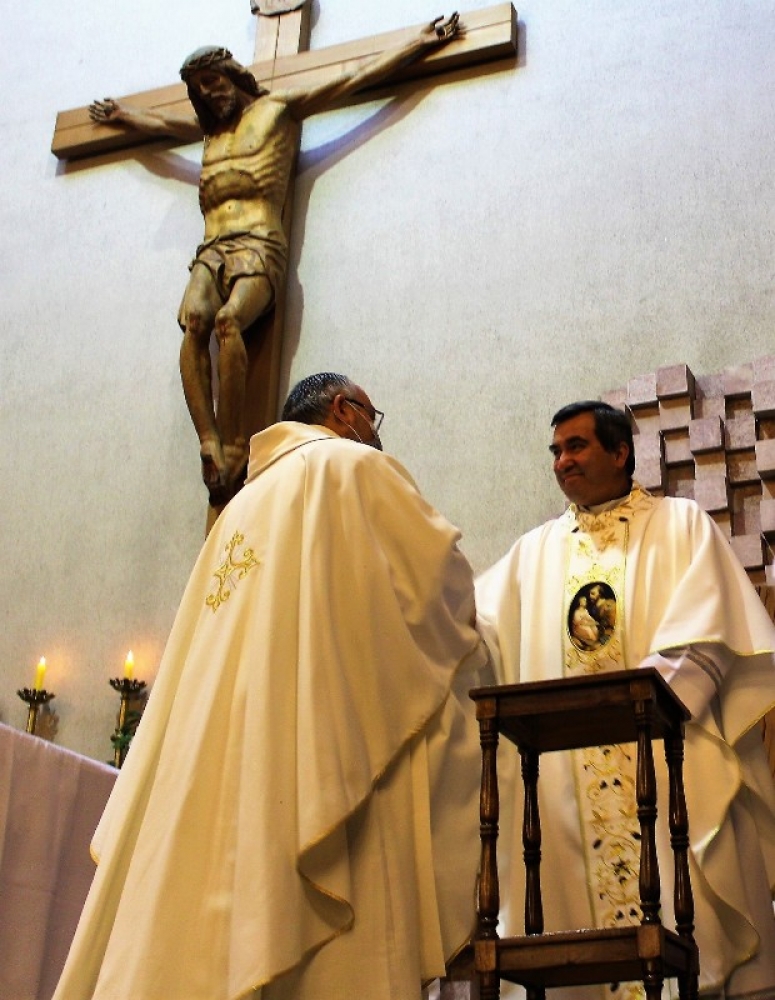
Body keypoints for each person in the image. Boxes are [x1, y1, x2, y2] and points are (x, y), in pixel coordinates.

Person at [52, 372, 486, 1000]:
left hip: (215, 756)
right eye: (373, 416)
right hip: (311, 752)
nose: (376, 433)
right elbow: (439, 588)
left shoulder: (240, 508)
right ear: (345, 411)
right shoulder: (353, 467)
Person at [89, 14, 461, 504]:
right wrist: (119, 114)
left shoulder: (278, 109)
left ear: (234, 77)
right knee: (195, 320)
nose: (207, 95)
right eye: (198, 90)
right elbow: (156, 124)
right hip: (212, 247)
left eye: (213, 83)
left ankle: (238, 440)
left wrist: (417, 41)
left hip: (260, 242)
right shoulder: (209, 133)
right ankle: (210, 442)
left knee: (228, 321)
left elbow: (353, 77)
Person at [475, 400, 775, 1000]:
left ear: (620, 452)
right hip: (561, 785)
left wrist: (640, 703)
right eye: (556, 452)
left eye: (577, 446)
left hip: (666, 763)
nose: (563, 462)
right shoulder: (531, 553)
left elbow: (711, 638)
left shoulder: (681, 525)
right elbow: (479, 636)